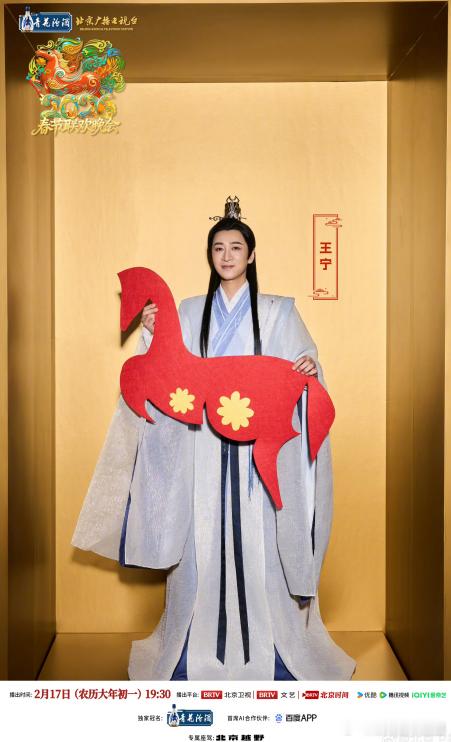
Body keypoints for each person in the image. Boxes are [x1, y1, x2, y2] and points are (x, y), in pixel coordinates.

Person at [71, 196, 356, 681]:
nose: (227, 256)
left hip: (257, 450)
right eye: (219, 248)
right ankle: (189, 648)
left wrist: (310, 369)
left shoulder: (278, 312)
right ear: (211, 255)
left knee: (262, 549)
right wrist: (152, 332)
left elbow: (303, 368)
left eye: (236, 247)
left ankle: (276, 648)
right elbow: (164, 372)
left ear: (251, 254)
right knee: (199, 544)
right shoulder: (188, 311)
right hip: (201, 447)